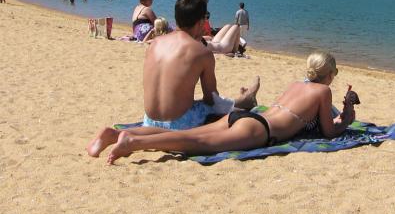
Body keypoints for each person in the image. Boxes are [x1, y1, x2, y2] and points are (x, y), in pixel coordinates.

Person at [87, 51, 357, 164]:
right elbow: (329, 132)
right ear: (329, 74)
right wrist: (348, 115)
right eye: (334, 73)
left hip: (248, 116)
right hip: (259, 130)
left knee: (193, 135)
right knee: (193, 142)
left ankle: (115, 135)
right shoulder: (324, 90)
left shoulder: (296, 85)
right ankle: (132, 142)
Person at [86, 0, 259, 158]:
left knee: (173, 115)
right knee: (213, 114)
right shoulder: (202, 52)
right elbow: (211, 100)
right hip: (180, 124)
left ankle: (114, 134)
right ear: (201, 22)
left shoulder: (155, 43)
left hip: (149, 119)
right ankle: (245, 99)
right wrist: (237, 103)